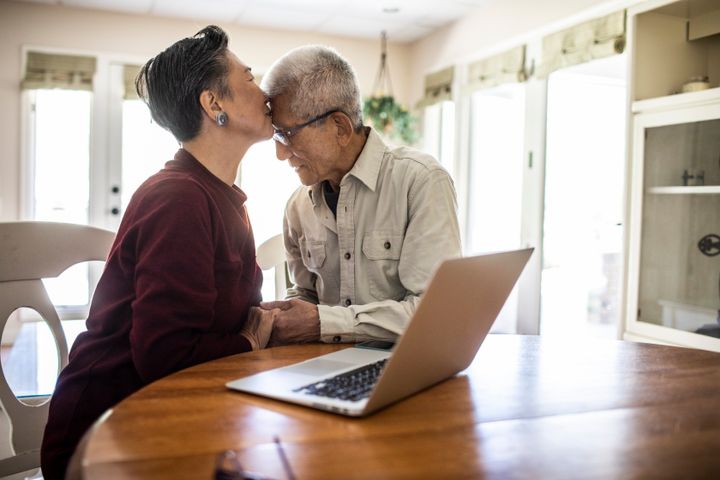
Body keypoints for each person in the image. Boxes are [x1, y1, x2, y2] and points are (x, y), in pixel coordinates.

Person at [41, 25, 274, 479]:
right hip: (108, 434)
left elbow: (230, 315)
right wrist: (250, 340)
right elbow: (164, 354)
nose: (265, 93)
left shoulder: (220, 195)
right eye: (249, 78)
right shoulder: (178, 199)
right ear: (214, 104)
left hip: (178, 412)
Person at [259, 45, 462, 346]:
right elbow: (306, 296)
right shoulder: (296, 208)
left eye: (287, 134)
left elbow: (436, 313)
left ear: (339, 126)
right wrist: (283, 315)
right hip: (323, 369)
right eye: (275, 135)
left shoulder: (421, 181)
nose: (279, 153)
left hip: (403, 370)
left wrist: (323, 323)